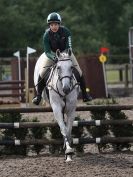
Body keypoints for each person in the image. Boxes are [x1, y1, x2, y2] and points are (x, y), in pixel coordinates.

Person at [32, 12, 92, 105]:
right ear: (49, 25)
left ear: (59, 24)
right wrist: (54, 57)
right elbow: (47, 51)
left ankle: (85, 94)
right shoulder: (46, 35)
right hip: (52, 54)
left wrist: (64, 56)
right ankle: (38, 96)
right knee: (42, 72)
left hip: (66, 53)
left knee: (79, 71)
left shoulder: (66, 32)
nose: (54, 26)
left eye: (55, 24)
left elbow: (69, 47)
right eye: (51, 25)